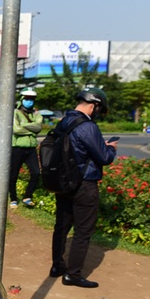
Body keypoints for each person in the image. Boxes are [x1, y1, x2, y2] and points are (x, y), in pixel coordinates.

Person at [50, 88, 118, 288]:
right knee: (82, 231)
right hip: (84, 185)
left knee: (61, 226)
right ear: (94, 105)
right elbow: (104, 157)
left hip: (64, 183)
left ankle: (57, 266)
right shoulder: (88, 126)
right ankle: (73, 274)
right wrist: (111, 148)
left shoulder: (64, 122)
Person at [9, 87, 43, 209]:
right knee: (13, 175)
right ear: (22, 99)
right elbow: (16, 129)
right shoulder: (15, 113)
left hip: (31, 149)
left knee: (36, 173)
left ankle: (27, 196)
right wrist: (31, 130)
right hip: (17, 148)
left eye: (32, 99)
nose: (30, 101)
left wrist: (23, 125)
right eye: (27, 99)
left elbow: (39, 127)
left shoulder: (36, 114)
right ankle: (13, 198)